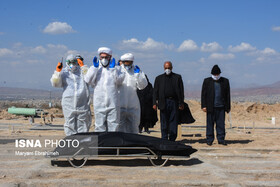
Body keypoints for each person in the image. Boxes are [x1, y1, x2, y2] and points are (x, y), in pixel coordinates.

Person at [84, 47, 124, 132]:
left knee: (114, 125)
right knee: (99, 125)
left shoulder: (117, 68)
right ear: (99, 57)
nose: (104, 59)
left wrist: (113, 70)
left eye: (106, 57)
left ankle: (112, 144)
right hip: (99, 102)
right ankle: (100, 144)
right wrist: (94, 69)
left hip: (113, 102)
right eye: (102, 57)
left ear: (110, 57)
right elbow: (87, 80)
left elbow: (119, 81)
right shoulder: (94, 68)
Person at [50, 54, 91, 136]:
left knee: (83, 124)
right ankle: (71, 143)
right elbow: (55, 84)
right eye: (70, 62)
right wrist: (57, 72)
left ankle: (83, 143)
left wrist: (83, 67)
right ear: (66, 63)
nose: (72, 64)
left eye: (73, 62)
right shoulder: (64, 73)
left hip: (82, 103)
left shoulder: (82, 72)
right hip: (68, 103)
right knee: (69, 123)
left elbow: (90, 79)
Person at [153, 61, 184, 141]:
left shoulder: (177, 77)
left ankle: (172, 139)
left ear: (172, 68)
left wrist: (181, 102)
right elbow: (155, 92)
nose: (167, 69)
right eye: (166, 68)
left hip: (174, 102)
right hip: (163, 102)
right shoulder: (159, 78)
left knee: (173, 121)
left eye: (169, 68)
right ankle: (164, 138)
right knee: (164, 122)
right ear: (164, 68)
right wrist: (154, 103)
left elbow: (181, 91)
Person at [117, 53, 148, 133]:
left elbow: (142, 86)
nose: (127, 64)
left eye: (129, 62)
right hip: (120, 105)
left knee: (134, 128)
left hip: (133, 106)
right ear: (122, 62)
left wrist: (138, 75)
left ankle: (133, 145)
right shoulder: (118, 70)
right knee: (119, 128)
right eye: (125, 62)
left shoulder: (136, 71)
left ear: (132, 62)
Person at [201, 65, 231, 146]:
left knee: (221, 124)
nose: (216, 76)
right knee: (210, 124)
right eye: (215, 75)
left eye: (217, 74)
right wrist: (203, 106)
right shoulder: (207, 81)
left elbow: (228, 95)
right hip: (210, 107)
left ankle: (221, 139)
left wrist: (228, 107)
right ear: (212, 74)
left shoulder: (225, 81)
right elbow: (203, 95)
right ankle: (209, 139)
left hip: (221, 107)